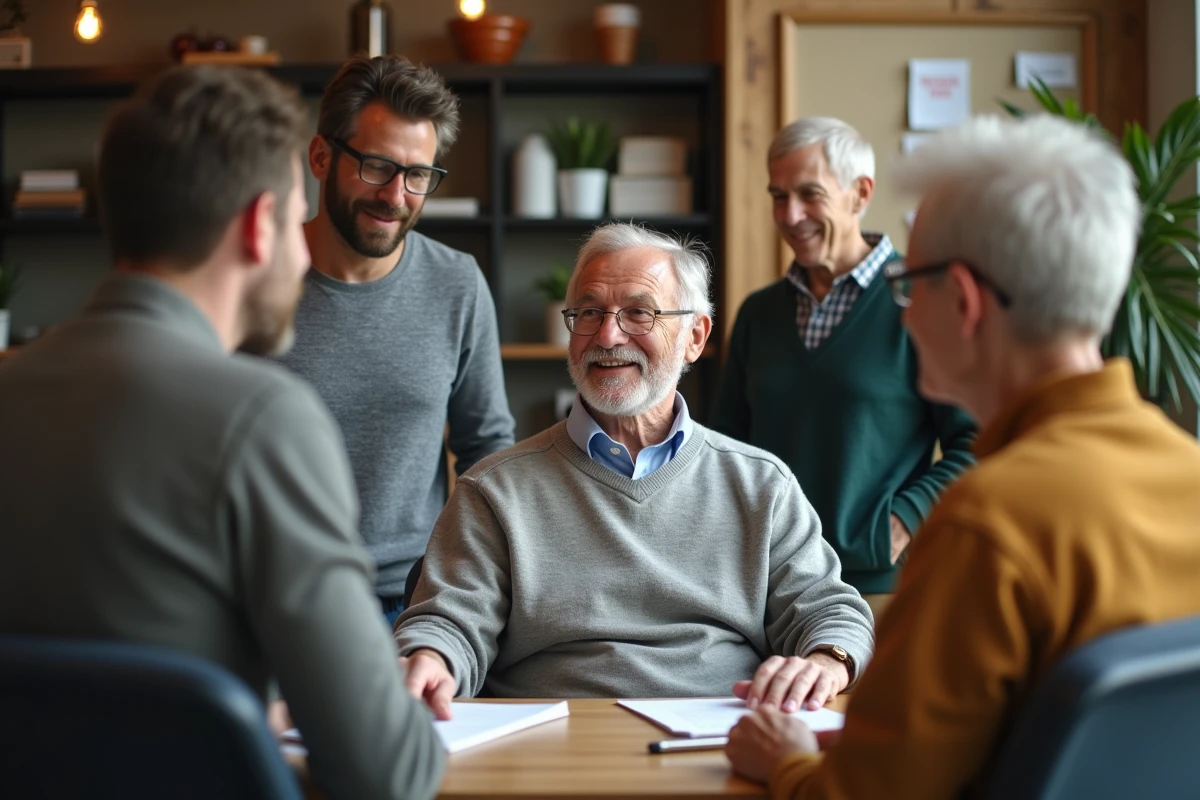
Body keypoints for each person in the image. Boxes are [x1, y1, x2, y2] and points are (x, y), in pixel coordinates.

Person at [0, 65, 444, 800]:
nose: (304, 256)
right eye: (294, 222)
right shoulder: (264, 419)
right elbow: (388, 773)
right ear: (257, 225)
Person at [724, 114, 1200, 799]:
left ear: (967, 302)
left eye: (910, 284)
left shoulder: (986, 526)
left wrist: (790, 763)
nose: (904, 312)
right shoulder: (1186, 470)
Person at [394, 222, 874, 717]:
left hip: (717, 740)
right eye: (589, 313)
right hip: (552, 746)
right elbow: (448, 622)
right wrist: (432, 658)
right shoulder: (494, 489)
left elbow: (829, 611)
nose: (607, 334)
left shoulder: (760, 484)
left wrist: (826, 661)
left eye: (639, 313)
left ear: (695, 337)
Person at [276, 55, 515, 625]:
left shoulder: (457, 283)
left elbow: (488, 449)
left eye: (418, 176)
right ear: (320, 157)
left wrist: (466, 588)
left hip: (412, 602)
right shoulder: (253, 280)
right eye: (378, 166)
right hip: (274, 599)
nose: (397, 195)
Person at [712, 116, 976, 609]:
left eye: (810, 194)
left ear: (860, 193)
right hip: (764, 590)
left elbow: (976, 442)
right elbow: (726, 448)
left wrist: (903, 521)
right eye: (778, 196)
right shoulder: (758, 313)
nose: (790, 215)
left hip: (877, 589)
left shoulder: (921, 300)